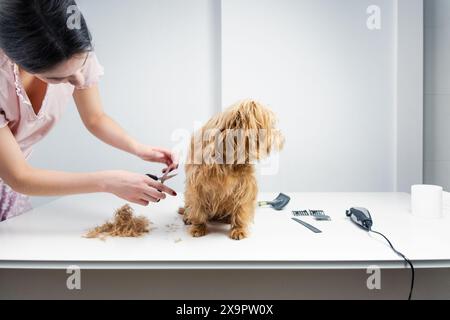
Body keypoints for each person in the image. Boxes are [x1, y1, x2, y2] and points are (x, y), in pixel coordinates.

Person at [0, 0, 178, 221]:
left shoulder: (73, 47)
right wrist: (107, 182)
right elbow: (20, 177)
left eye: (81, 65)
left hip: (10, 191)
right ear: (18, 59)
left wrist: (139, 148)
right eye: (59, 78)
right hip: (16, 180)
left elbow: (95, 117)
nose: (79, 80)